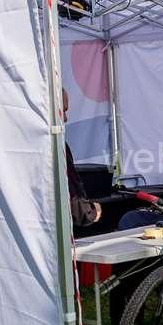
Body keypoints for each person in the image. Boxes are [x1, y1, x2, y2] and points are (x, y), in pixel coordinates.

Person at [62, 89, 101, 228]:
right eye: (62, 110)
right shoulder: (56, 146)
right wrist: (92, 212)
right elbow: (74, 203)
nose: (65, 118)